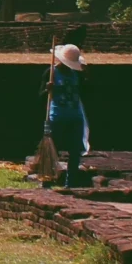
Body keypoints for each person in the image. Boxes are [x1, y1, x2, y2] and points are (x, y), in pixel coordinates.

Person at [43, 42, 91, 190]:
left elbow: (84, 92)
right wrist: (47, 89)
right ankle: (47, 180)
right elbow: (40, 96)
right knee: (52, 150)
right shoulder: (51, 73)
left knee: (75, 150)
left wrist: (87, 75)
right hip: (57, 116)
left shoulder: (75, 74)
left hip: (75, 116)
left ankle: (70, 183)